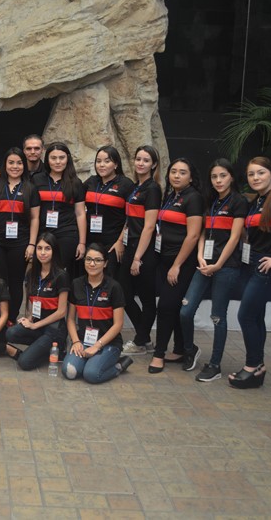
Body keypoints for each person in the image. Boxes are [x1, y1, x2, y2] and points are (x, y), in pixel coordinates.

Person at [229, 156, 271, 389]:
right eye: (251, 174)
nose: (255, 177)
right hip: (252, 264)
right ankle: (258, 367)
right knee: (256, 316)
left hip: (266, 266)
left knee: (246, 316)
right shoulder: (257, 200)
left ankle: (252, 366)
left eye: (260, 173)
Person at [179, 159, 246, 381]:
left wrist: (218, 264)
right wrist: (200, 255)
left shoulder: (238, 201)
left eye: (223, 176)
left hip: (226, 267)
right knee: (185, 311)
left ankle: (215, 365)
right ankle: (190, 350)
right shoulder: (210, 201)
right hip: (204, 264)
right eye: (214, 176)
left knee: (218, 316)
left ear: (231, 177)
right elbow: (202, 233)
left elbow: (235, 238)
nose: (218, 180)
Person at [148, 158, 203, 374]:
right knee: (175, 306)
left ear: (191, 177)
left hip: (181, 262)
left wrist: (177, 265)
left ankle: (158, 353)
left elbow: (193, 235)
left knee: (166, 307)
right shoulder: (171, 195)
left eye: (182, 172)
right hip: (164, 259)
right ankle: (181, 349)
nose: (177, 176)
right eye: (173, 171)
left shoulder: (193, 198)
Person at [0, 148, 41, 321]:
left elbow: (35, 218)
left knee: (16, 282)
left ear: (24, 165)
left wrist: (32, 244)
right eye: (11, 163)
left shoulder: (31, 188)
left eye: (19, 163)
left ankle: (11, 319)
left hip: (20, 242)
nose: (15, 166)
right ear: (5, 165)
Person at [62, 243, 132, 383]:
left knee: (91, 375)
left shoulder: (114, 287)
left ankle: (119, 366)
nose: (92, 264)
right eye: (88, 259)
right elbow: (70, 319)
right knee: (70, 372)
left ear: (105, 263)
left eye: (98, 260)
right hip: (83, 341)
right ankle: (93, 363)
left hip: (108, 343)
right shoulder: (76, 284)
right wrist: (76, 341)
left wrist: (97, 345)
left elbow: (118, 324)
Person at [119, 145, 162, 356]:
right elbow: (129, 220)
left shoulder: (152, 189)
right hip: (130, 246)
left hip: (144, 250)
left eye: (146, 160)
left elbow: (149, 226)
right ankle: (143, 338)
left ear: (154, 164)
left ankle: (140, 341)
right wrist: (120, 241)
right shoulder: (136, 186)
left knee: (146, 298)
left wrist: (137, 258)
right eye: (138, 159)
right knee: (124, 294)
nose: (141, 163)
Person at [6, 232, 70, 370]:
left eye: (47, 248)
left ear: (54, 251)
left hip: (54, 329)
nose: (43, 253)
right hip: (38, 325)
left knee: (24, 363)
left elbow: (61, 312)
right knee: (10, 333)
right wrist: (29, 318)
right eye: (39, 248)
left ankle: (58, 348)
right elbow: (31, 301)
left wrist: (35, 325)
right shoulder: (32, 274)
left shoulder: (61, 276)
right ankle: (45, 349)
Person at [34, 142, 86, 273]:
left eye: (61, 158)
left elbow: (80, 213)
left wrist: (82, 243)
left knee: (59, 271)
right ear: (47, 160)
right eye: (53, 158)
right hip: (42, 233)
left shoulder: (75, 182)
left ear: (68, 158)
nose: (58, 162)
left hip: (67, 233)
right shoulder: (37, 179)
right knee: (42, 270)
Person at [83, 145, 135, 277]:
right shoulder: (91, 182)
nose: (102, 165)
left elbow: (130, 218)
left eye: (107, 161)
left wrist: (120, 241)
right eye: (98, 161)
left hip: (113, 242)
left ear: (116, 164)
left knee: (109, 279)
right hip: (90, 241)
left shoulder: (126, 184)